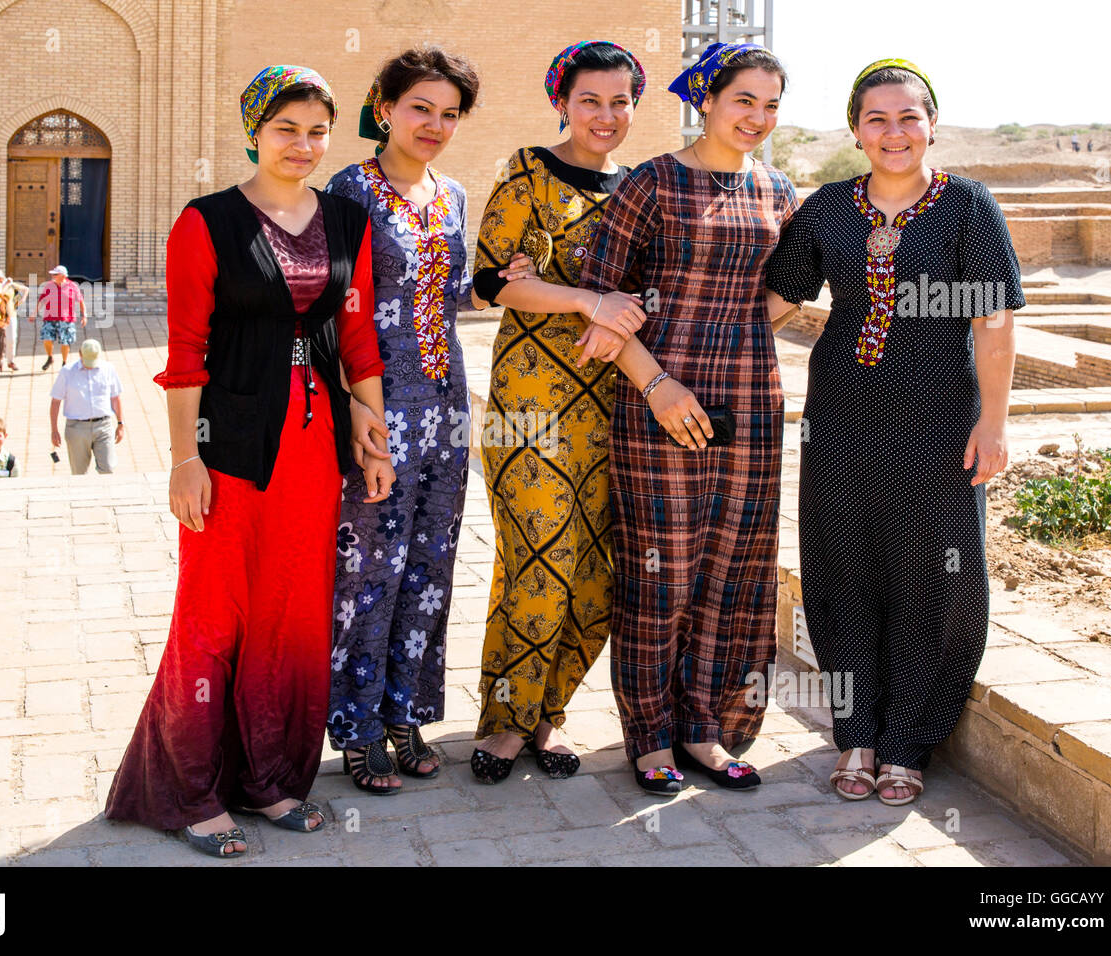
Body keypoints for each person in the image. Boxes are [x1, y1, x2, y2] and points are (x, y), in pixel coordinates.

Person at [105, 65, 387, 858]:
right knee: (213, 617)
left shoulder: (345, 220)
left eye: (318, 130)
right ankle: (191, 790)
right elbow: (187, 353)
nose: (304, 144)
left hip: (311, 447)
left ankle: (271, 781)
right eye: (287, 128)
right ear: (254, 130)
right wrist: (183, 459)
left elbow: (357, 338)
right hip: (229, 450)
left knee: (292, 615)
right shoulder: (207, 223)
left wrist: (371, 428)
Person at [765, 59, 1021, 806]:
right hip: (840, 416)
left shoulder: (966, 207)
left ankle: (907, 738)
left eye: (909, 117)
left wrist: (994, 423)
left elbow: (994, 322)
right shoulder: (827, 210)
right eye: (877, 119)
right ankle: (858, 737)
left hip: (941, 418)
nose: (894, 132)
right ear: (855, 131)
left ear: (931, 124)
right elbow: (775, 303)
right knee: (842, 565)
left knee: (933, 575)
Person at [579, 42, 797, 795]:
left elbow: (788, 289)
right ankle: (649, 739)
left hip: (751, 405)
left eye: (771, 105)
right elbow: (599, 301)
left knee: (734, 572)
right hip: (659, 405)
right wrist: (659, 384)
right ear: (707, 99)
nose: (758, 118)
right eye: (745, 101)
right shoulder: (654, 182)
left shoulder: (778, 189)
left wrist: (737, 331)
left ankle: (707, 729)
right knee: (660, 574)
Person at [469, 40, 649, 784]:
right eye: (589, 101)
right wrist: (583, 298)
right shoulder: (527, 175)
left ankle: (548, 716)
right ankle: (504, 723)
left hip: (613, 408)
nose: (604, 116)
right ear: (561, 102)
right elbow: (490, 282)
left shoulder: (643, 188)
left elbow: (657, 288)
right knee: (537, 557)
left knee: (599, 576)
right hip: (531, 404)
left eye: (619, 101)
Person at [324, 47, 502, 793]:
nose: (434, 124)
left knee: (431, 566)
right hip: (380, 404)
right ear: (384, 106)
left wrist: (498, 283)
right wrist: (361, 412)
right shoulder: (349, 190)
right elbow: (335, 308)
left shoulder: (452, 194)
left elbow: (452, 291)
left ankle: (405, 713)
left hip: (447, 404)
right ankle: (356, 728)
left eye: (449, 114)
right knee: (369, 569)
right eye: (420, 108)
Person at [49, 338, 124, 472]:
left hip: (103, 426)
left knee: (108, 469)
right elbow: (55, 402)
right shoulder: (67, 372)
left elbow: (115, 398)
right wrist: (54, 430)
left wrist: (120, 423)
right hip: (76, 428)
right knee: (79, 473)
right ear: (80, 354)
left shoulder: (108, 369)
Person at [37, 265, 87, 370]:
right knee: (47, 339)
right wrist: (34, 312)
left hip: (66, 319)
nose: (53, 276)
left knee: (65, 341)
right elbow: (42, 300)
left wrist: (84, 316)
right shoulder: (49, 286)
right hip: (50, 317)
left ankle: (64, 362)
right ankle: (50, 357)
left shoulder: (72, 286)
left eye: (56, 274)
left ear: (63, 275)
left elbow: (81, 301)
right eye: (53, 274)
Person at [0, 269, 30, 371]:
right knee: (0, 340)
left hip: (11, 315)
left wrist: (21, 300)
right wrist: (7, 285)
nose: (0, 281)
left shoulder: (10, 285)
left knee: (11, 338)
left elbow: (26, 289)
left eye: (1, 278)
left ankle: (11, 361)